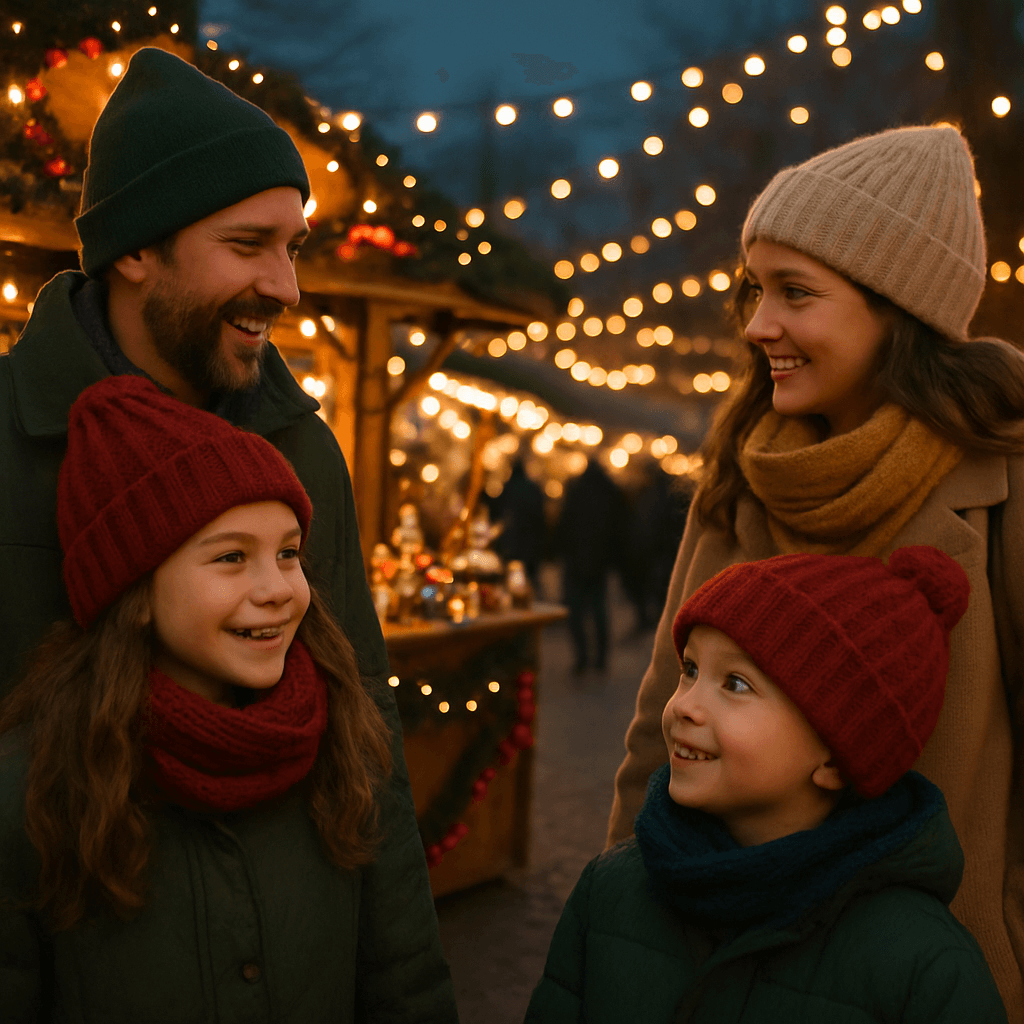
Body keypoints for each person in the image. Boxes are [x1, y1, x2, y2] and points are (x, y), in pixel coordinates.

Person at [606, 124, 1024, 1017]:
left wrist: (1007, 940)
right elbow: (657, 724)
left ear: (898, 309)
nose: (759, 325)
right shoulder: (744, 467)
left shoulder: (1007, 478)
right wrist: (618, 909)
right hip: (718, 957)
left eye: (797, 292)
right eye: (756, 289)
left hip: (926, 979)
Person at [0, 376, 457, 1020]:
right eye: (231, 558)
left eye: (289, 553)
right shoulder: (34, 792)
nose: (277, 589)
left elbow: (403, 978)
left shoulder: (343, 744)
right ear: (133, 586)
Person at [528, 548, 1007, 1022]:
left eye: (735, 683)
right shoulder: (611, 890)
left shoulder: (924, 969)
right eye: (690, 670)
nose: (684, 706)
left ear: (836, 758)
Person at [553, 458, 628, 673]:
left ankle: (583, 657)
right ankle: (600, 658)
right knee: (598, 611)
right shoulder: (610, 491)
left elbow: (564, 524)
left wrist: (560, 551)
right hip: (599, 564)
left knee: (577, 612)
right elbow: (619, 529)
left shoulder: (576, 490)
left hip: (576, 562)